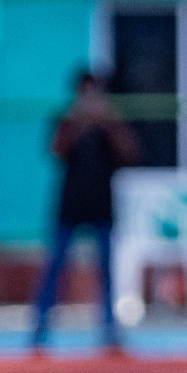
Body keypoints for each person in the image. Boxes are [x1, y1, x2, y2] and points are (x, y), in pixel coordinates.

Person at [30, 70, 137, 353]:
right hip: (70, 206)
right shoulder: (66, 118)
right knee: (55, 268)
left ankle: (110, 330)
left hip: (101, 206)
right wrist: (79, 122)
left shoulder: (110, 121)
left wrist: (108, 122)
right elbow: (55, 151)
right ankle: (40, 329)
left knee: (107, 271)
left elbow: (130, 153)